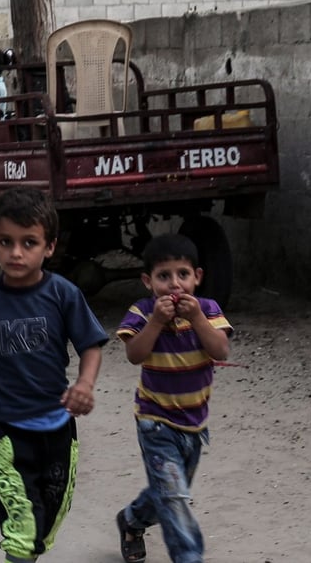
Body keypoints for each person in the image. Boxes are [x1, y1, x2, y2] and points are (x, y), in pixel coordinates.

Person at [0, 186, 107, 563]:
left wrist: (85, 384)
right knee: (21, 526)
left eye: (29, 242)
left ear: (49, 247)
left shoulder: (64, 295)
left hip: (56, 427)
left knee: (47, 520)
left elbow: (91, 345)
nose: (16, 253)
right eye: (5, 242)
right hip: (1, 429)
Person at [114, 233, 232, 563]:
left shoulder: (208, 309)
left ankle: (132, 520)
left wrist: (196, 319)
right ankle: (188, 557)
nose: (174, 284)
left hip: (194, 426)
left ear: (197, 277)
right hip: (155, 422)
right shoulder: (143, 311)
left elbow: (221, 350)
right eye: (163, 276)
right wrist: (156, 321)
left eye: (183, 274)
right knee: (175, 496)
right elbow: (134, 355)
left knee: (170, 492)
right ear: (148, 281)